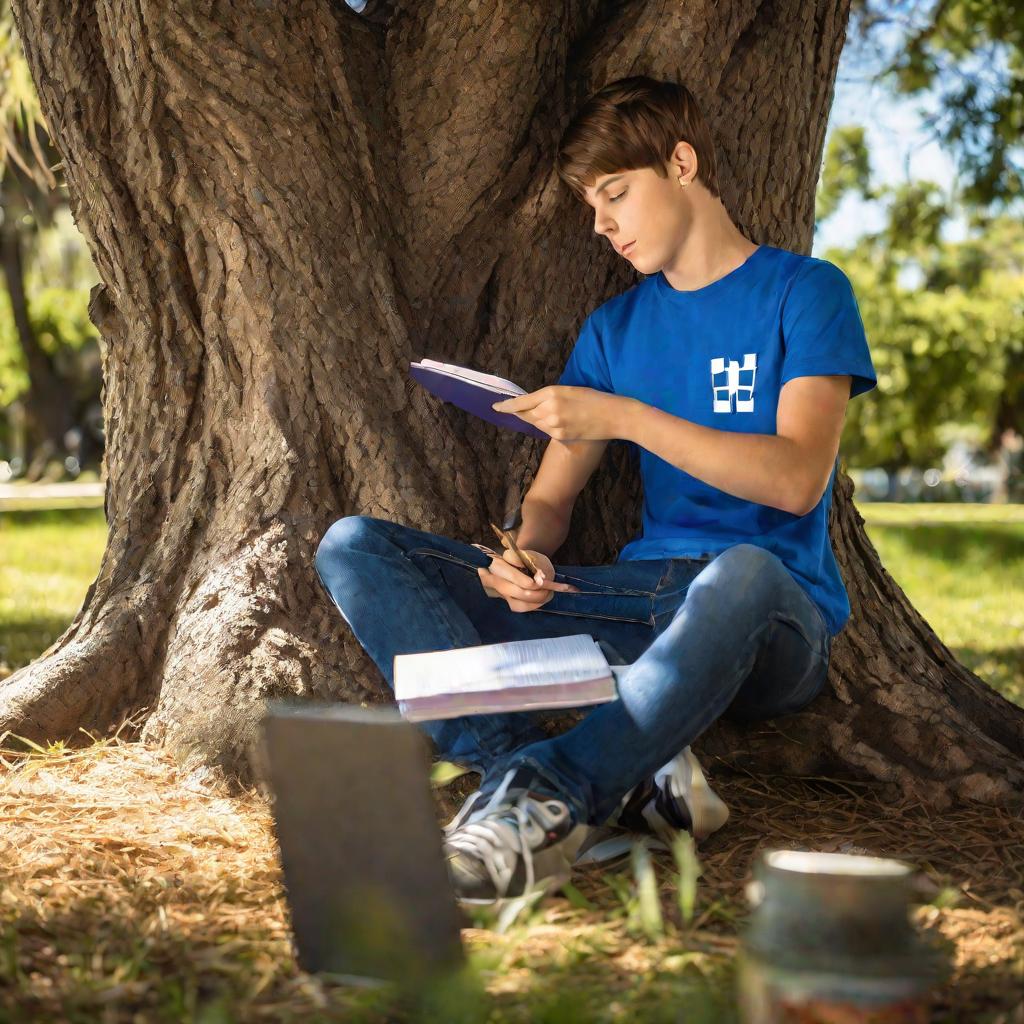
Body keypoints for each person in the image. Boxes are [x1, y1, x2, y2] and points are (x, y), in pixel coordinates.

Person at [314, 74, 877, 912]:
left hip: (764, 616)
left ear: (681, 163)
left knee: (745, 570)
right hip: (633, 604)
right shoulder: (613, 331)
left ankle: (552, 794)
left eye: (615, 193)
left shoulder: (806, 291)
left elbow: (796, 481)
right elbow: (552, 501)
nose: (601, 223)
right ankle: (542, 784)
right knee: (354, 548)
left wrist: (627, 416)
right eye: (590, 203)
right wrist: (526, 552)